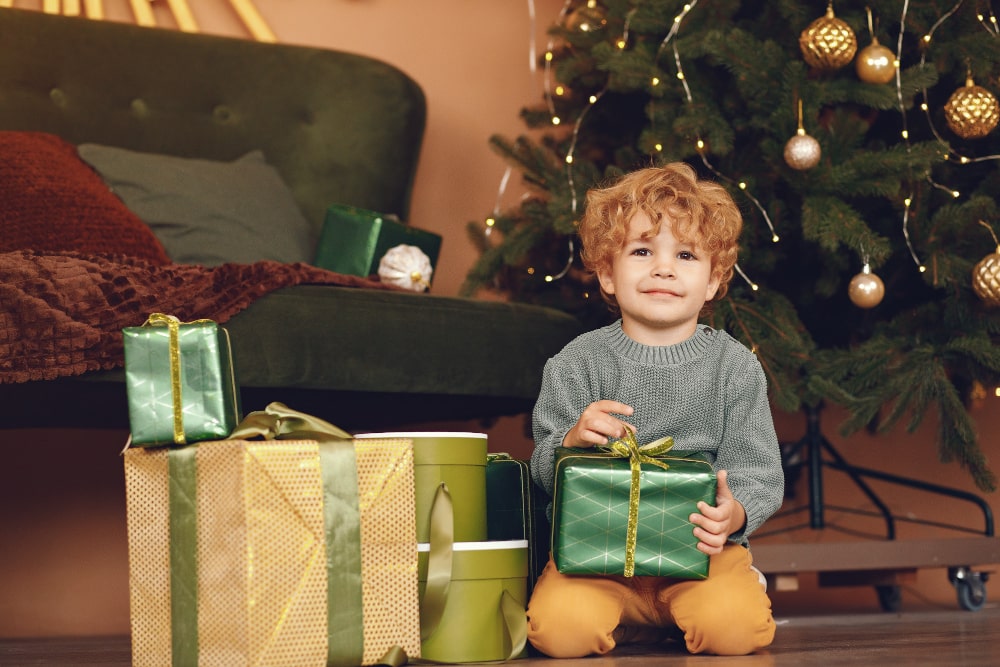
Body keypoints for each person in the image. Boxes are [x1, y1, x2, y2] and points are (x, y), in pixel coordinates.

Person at [527, 162, 784, 657]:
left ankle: (712, 597)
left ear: (712, 281)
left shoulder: (734, 367)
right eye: (642, 251)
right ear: (607, 272)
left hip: (702, 555)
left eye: (685, 254)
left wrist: (734, 516)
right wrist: (569, 442)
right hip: (595, 556)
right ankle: (635, 619)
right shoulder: (575, 364)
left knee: (736, 634)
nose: (663, 268)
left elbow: (759, 471)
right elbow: (541, 468)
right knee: (559, 635)